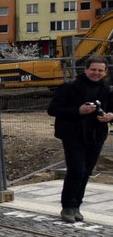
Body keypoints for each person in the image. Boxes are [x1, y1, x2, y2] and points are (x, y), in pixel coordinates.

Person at [47, 55, 113, 223]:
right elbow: (52, 109)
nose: (96, 73)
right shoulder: (70, 87)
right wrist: (78, 110)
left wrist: (110, 116)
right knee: (76, 169)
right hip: (73, 135)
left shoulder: (107, 89)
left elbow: (112, 110)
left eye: (100, 70)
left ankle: (77, 205)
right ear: (85, 70)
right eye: (93, 70)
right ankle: (67, 205)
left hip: (96, 135)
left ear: (105, 72)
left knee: (86, 172)